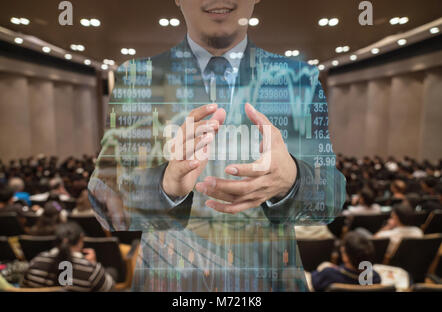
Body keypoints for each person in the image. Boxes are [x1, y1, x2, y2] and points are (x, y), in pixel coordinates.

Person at [88, 0, 345, 291]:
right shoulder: (137, 78)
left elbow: (331, 196)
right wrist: (165, 185)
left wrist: (293, 179)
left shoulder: (300, 80)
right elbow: (103, 198)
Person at [21, 222, 115, 291]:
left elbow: (24, 286)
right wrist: (93, 264)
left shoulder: (36, 261)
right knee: (112, 272)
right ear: (81, 239)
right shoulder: (92, 270)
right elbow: (110, 289)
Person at [310, 231, 381, 291]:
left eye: (343, 249)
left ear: (346, 257)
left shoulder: (329, 274)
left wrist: (323, 268)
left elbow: (314, 282)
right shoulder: (375, 277)